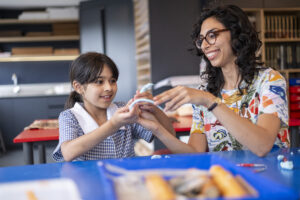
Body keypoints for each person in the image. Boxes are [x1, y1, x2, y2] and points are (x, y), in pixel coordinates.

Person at [138, 5, 289, 157]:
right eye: (201, 40)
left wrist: (210, 101)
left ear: (236, 34)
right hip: (227, 178)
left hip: (270, 177)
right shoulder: (206, 91)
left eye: (212, 35)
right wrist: (157, 129)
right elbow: (195, 152)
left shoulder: (270, 81)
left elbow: (262, 146)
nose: (204, 45)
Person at [53, 52, 175, 162]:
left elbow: (170, 135)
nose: (109, 88)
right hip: (89, 181)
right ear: (78, 87)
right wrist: (113, 124)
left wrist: (153, 109)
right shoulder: (70, 116)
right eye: (99, 82)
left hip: (125, 180)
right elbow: (68, 153)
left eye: (112, 81)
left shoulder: (124, 109)